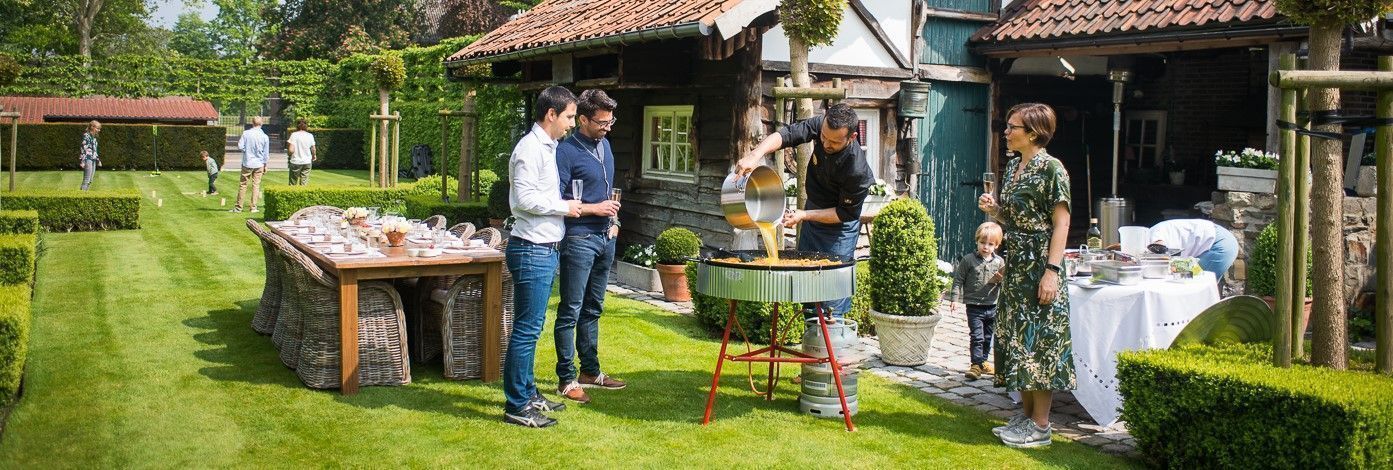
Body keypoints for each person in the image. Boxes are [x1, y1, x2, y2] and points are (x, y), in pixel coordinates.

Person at [503, 86, 619, 428]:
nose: (571, 123)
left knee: (532, 328)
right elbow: (524, 200)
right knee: (526, 331)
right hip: (531, 248)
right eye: (569, 116)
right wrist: (568, 207)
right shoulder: (530, 149)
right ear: (551, 114)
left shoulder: (548, 147)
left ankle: (528, 393)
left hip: (545, 248)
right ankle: (517, 405)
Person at [977, 102, 1073, 449]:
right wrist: (996, 211)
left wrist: (1051, 272)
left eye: (1012, 127)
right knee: (1019, 340)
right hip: (1017, 265)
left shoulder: (1052, 169)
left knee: (1040, 343)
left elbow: (1061, 223)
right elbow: (1016, 219)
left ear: (1033, 133)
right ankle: (1028, 417)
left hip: (1040, 266)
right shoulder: (1015, 166)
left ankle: (1042, 425)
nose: (1006, 132)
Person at [733, 102, 873, 319]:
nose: (825, 143)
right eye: (823, 137)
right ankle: (810, 337)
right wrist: (755, 155)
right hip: (813, 212)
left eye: (834, 142)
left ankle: (833, 337)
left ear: (852, 137)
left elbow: (844, 214)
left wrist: (804, 216)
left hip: (839, 228)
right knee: (806, 287)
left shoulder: (858, 172)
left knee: (831, 298)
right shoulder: (823, 125)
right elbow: (787, 135)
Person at [553, 89, 626, 404]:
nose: (607, 128)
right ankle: (566, 379)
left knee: (594, 308)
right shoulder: (565, 152)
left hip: (605, 238)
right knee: (570, 310)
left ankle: (590, 371)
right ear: (582, 119)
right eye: (601, 122)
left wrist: (614, 221)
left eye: (611, 122)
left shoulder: (605, 145)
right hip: (578, 239)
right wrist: (596, 209)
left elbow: (609, 193)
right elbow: (557, 200)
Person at [953, 221, 1005, 381]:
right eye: (982, 242)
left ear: (996, 245)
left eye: (990, 244)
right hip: (974, 306)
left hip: (992, 305)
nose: (985, 247)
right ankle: (975, 364)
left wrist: (1001, 280)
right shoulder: (968, 260)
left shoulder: (999, 262)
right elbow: (958, 280)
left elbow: (1005, 283)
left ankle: (983, 361)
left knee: (988, 337)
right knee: (977, 336)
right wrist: (954, 299)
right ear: (977, 241)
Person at [1146, 218, 1238, 280]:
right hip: (1220, 237)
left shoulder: (1151, 238)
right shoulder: (1151, 232)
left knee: (1197, 282)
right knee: (1181, 273)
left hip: (1219, 244)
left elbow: (1162, 257)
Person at [232, 117, 270, 213]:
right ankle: (253, 207)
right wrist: (265, 165)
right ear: (261, 124)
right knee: (256, 185)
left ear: (252, 123)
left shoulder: (246, 133)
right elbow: (266, 153)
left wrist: (247, 151)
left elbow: (240, 146)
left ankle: (239, 207)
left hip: (247, 162)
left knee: (243, 185)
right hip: (259, 163)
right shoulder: (264, 136)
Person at [286, 119, 317, 185]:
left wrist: (289, 155)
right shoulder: (310, 135)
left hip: (295, 161)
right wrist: (314, 156)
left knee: (292, 183)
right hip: (307, 162)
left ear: (297, 126)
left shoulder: (294, 135)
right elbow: (313, 149)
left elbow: (291, 150)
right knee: (304, 183)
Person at [78, 120, 101, 190]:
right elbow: (83, 149)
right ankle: (82, 194)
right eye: (97, 128)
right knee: (86, 179)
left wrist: (98, 160)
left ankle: (85, 193)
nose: (99, 130)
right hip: (87, 159)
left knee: (90, 179)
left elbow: (95, 150)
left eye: (99, 129)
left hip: (93, 159)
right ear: (92, 127)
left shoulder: (94, 138)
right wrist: (83, 161)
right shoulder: (86, 136)